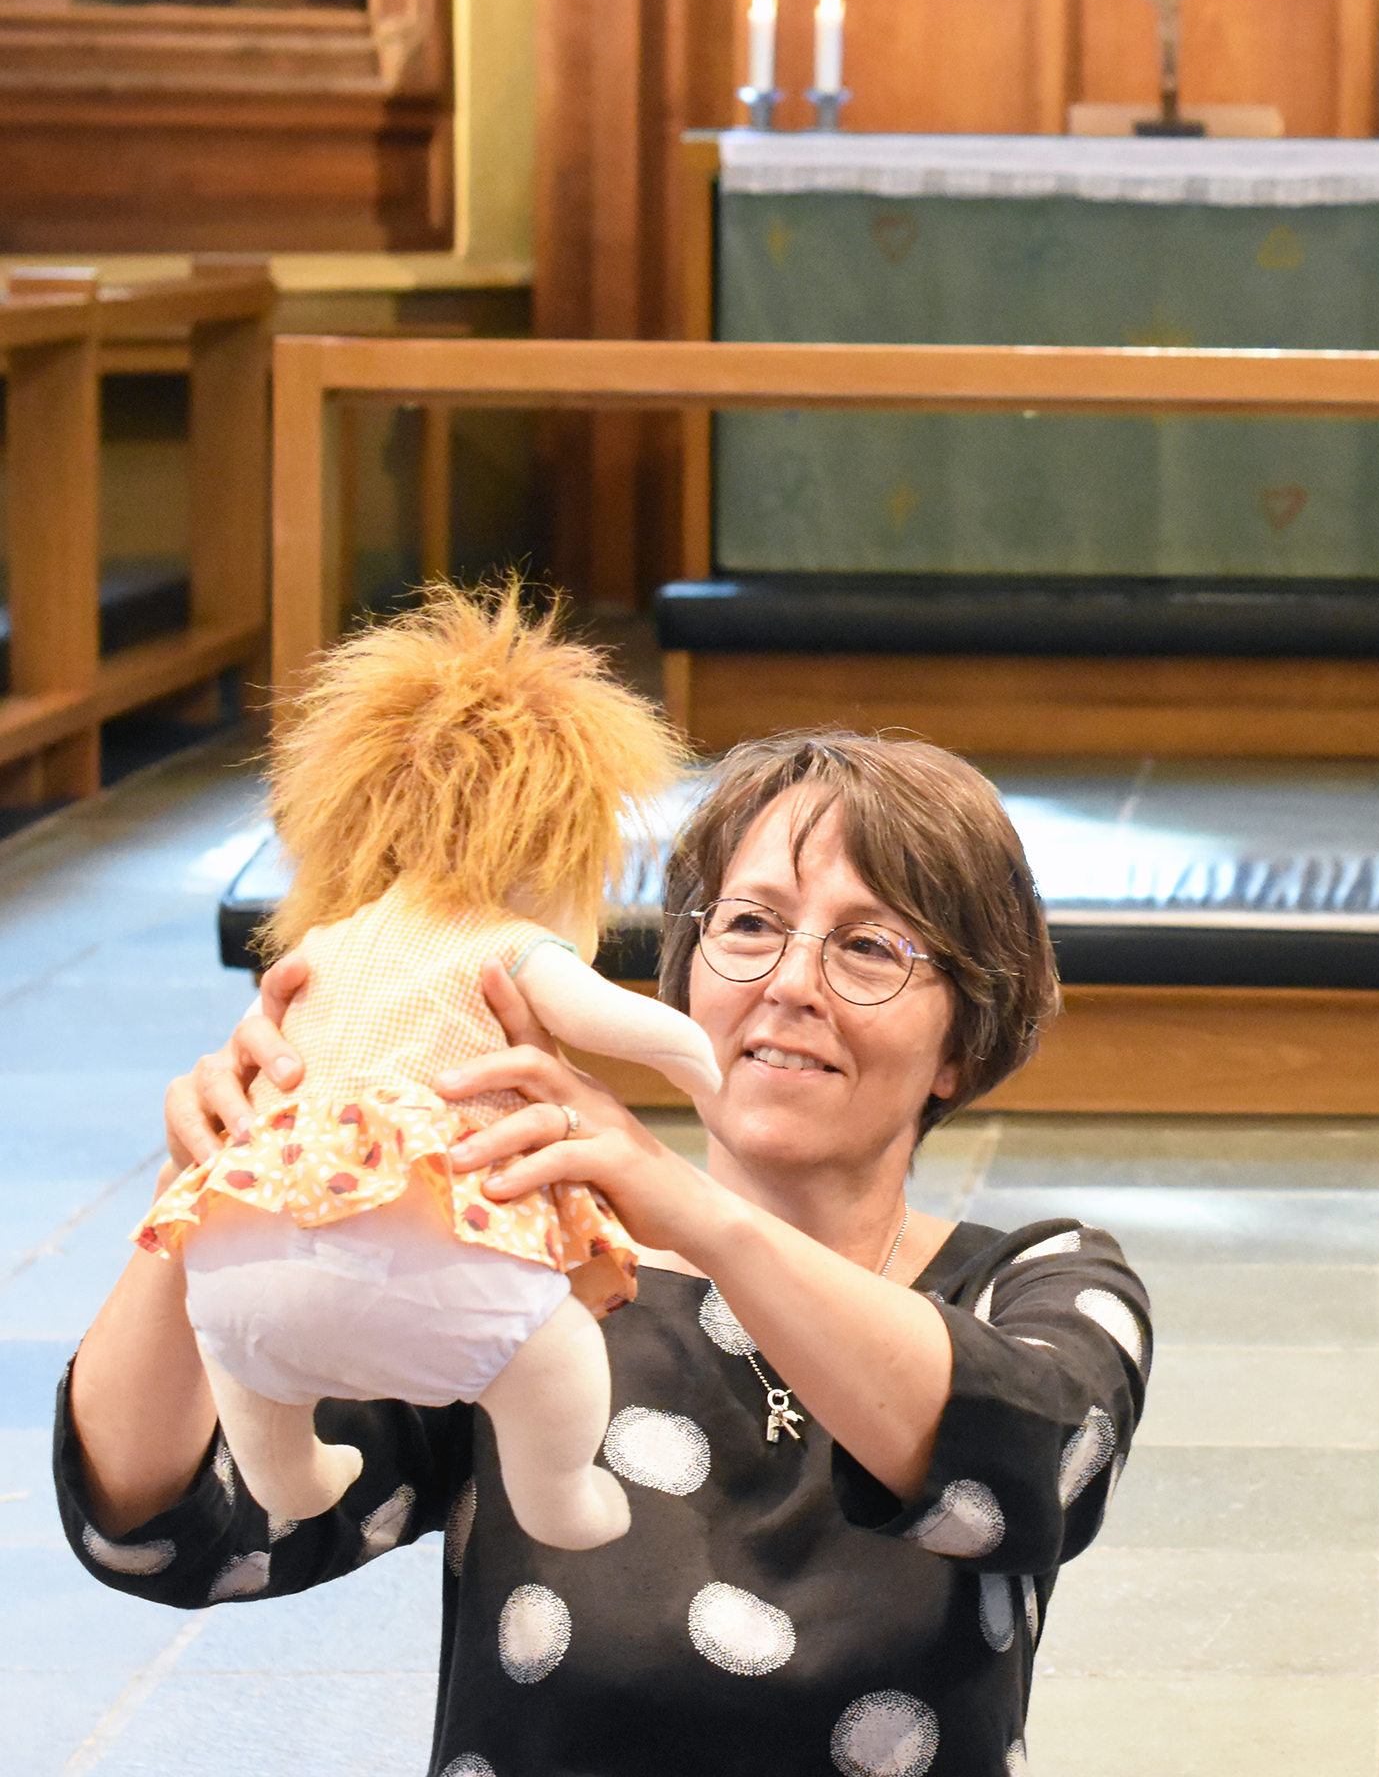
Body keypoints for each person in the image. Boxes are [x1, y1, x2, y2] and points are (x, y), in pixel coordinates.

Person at [58, 730, 1145, 1777]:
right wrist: (211, 1192)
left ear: (963, 1039)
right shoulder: (526, 1275)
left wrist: (697, 1217)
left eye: (867, 945)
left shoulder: (1043, 1277)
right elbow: (170, 1530)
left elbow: (1036, 1467)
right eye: (751, 924)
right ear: (684, 976)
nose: (791, 980)